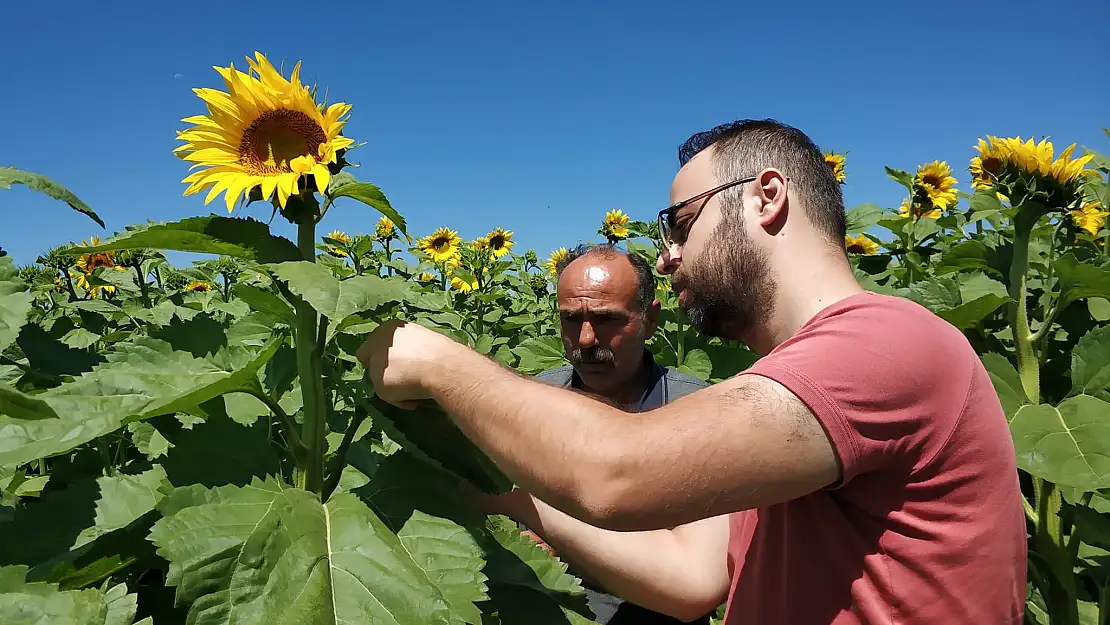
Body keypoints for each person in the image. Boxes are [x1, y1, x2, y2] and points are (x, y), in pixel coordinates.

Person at [357, 118, 1027, 624]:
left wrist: (438, 360)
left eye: (681, 224)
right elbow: (695, 574)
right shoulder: (791, 382)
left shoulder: (884, 342)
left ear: (767, 196)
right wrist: (486, 495)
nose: (670, 256)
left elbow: (616, 470)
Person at [481, 242, 719, 624]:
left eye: (608, 319)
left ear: (651, 320)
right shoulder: (533, 404)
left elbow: (703, 568)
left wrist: (558, 536)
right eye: (572, 319)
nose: (587, 339)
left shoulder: (699, 413)